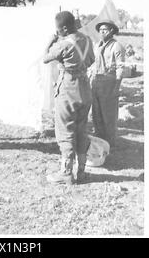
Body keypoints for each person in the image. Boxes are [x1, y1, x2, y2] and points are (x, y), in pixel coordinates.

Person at [43, 11, 95, 184]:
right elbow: (91, 60)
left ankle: (66, 174)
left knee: (65, 130)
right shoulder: (87, 40)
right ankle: (81, 172)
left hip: (68, 89)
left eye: (58, 30)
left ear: (64, 28)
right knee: (81, 130)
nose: (57, 32)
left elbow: (45, 58)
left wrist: (50, 42)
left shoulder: (63, 44)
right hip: (85, 88)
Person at [91, 20, 125, 149]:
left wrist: (116, 87)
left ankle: (111, 144)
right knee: (96, 114)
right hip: (95, 82)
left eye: (105, 29)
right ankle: (99, 142)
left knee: (108, 116)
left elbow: (120, 68)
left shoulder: (116, 46)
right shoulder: (97, 45)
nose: (102, 32)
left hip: (109, 83)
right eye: (100, 30)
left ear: (112, 31)